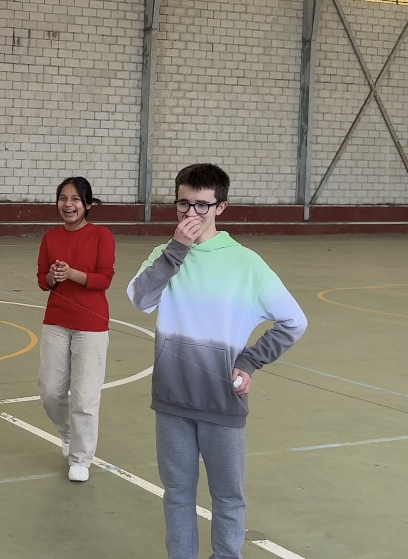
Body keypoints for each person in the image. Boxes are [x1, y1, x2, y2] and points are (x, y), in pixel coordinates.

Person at [126, 163, 307, 559]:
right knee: (177, 492)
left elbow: (294, 321)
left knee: (227, 495)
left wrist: (250, 360)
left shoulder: (246, 264)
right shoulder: (164, 255)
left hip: (222, 401)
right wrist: (176, 250)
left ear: (220, 207)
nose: (191, 213)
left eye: (202, 205)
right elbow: (139, 298)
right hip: (171, 399)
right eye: (183, 203)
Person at [36, 176, 115, 483]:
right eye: (63, 198)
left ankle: (81, 458)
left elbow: (104, 279)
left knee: (85, 397)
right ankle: (67, 432)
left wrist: (73, 274)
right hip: (56, 322)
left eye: (75, 199)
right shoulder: (50, 237)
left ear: (87, 204)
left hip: (91, 326)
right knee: (50, 392)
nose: (68, 205)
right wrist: (54, 277)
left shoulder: (101, 235)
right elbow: (42, 281)